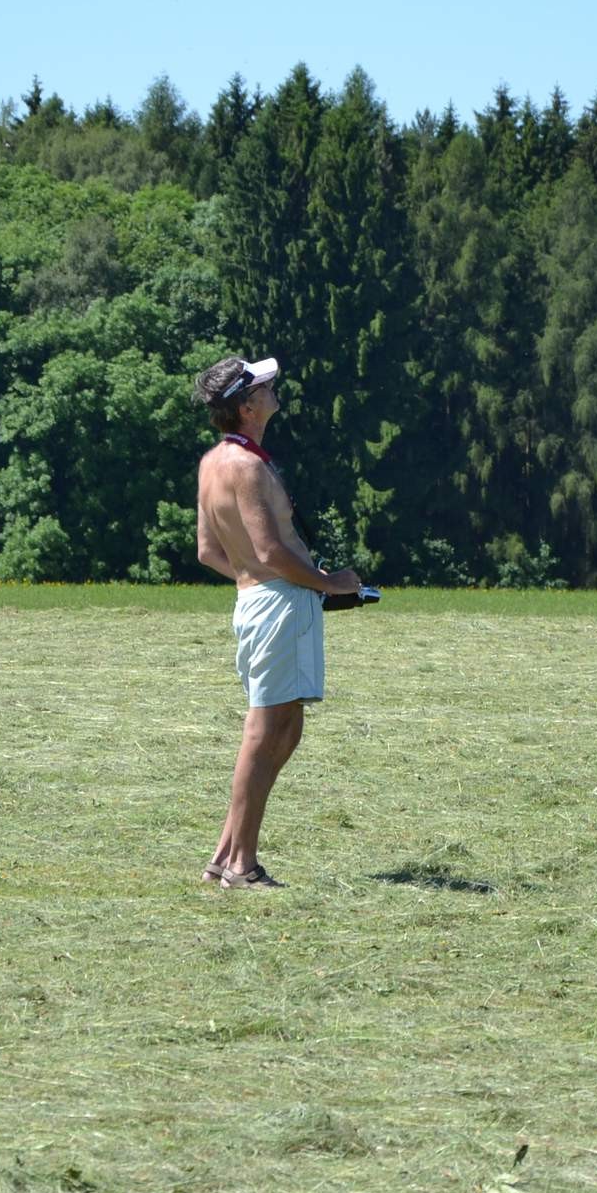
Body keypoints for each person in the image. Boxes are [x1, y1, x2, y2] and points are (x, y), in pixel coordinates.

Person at [192, 355, 362, 888]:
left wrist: (257, 581)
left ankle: (224, 854)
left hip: (261, 602)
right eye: (263, 386)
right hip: (278, 606)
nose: (273, 388)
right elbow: (269, 551)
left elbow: (208, 552)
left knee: (286, 729)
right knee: (264, 732)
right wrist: (328, 583)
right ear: (247, 407)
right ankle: (241, 866)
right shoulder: (246, 467)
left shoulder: (213, 462)